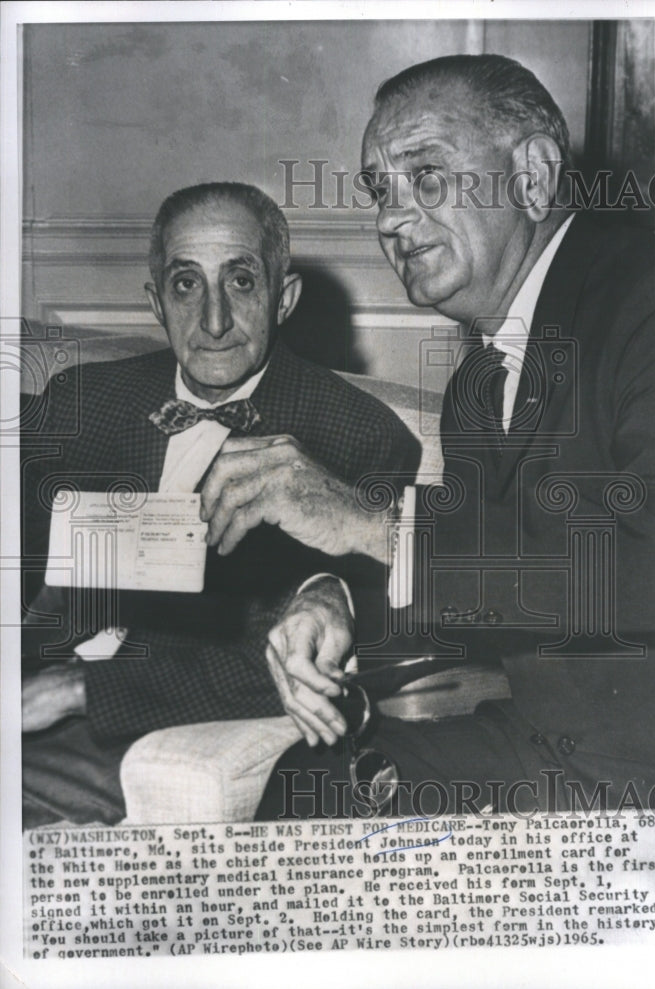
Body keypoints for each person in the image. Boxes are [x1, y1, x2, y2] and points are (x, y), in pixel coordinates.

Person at [201, 55, 655, 818]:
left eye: (426, 175)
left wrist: (369, 524)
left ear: (534, 175)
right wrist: (337, 607)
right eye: (380, 190)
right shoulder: (479, 381)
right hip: (551, 752)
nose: (388, 218)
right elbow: (487, 585)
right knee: (309, 789)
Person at [20, 181, 420, 827]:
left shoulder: (358, 435)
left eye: (239, 282)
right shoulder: (81, 400)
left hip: (140, 721)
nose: (212, 322)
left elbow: (295, 659)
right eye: (185, 285)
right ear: (156, 301)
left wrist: (74, 691)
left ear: (282, 298)